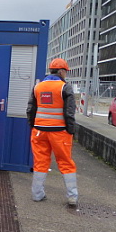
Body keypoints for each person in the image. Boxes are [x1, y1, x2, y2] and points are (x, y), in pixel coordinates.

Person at [26, 58, 78, 207]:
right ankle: (72, 197)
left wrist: (33, 126)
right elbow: (69, 112)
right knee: (66, 163)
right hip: (60, 132)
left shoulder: (38, 87)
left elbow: (31, 109)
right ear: (61, 71)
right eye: (66, 72)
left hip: (39, 131)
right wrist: (71, 130)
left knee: (40, 162)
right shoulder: (65, 87)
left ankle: (37, 194)